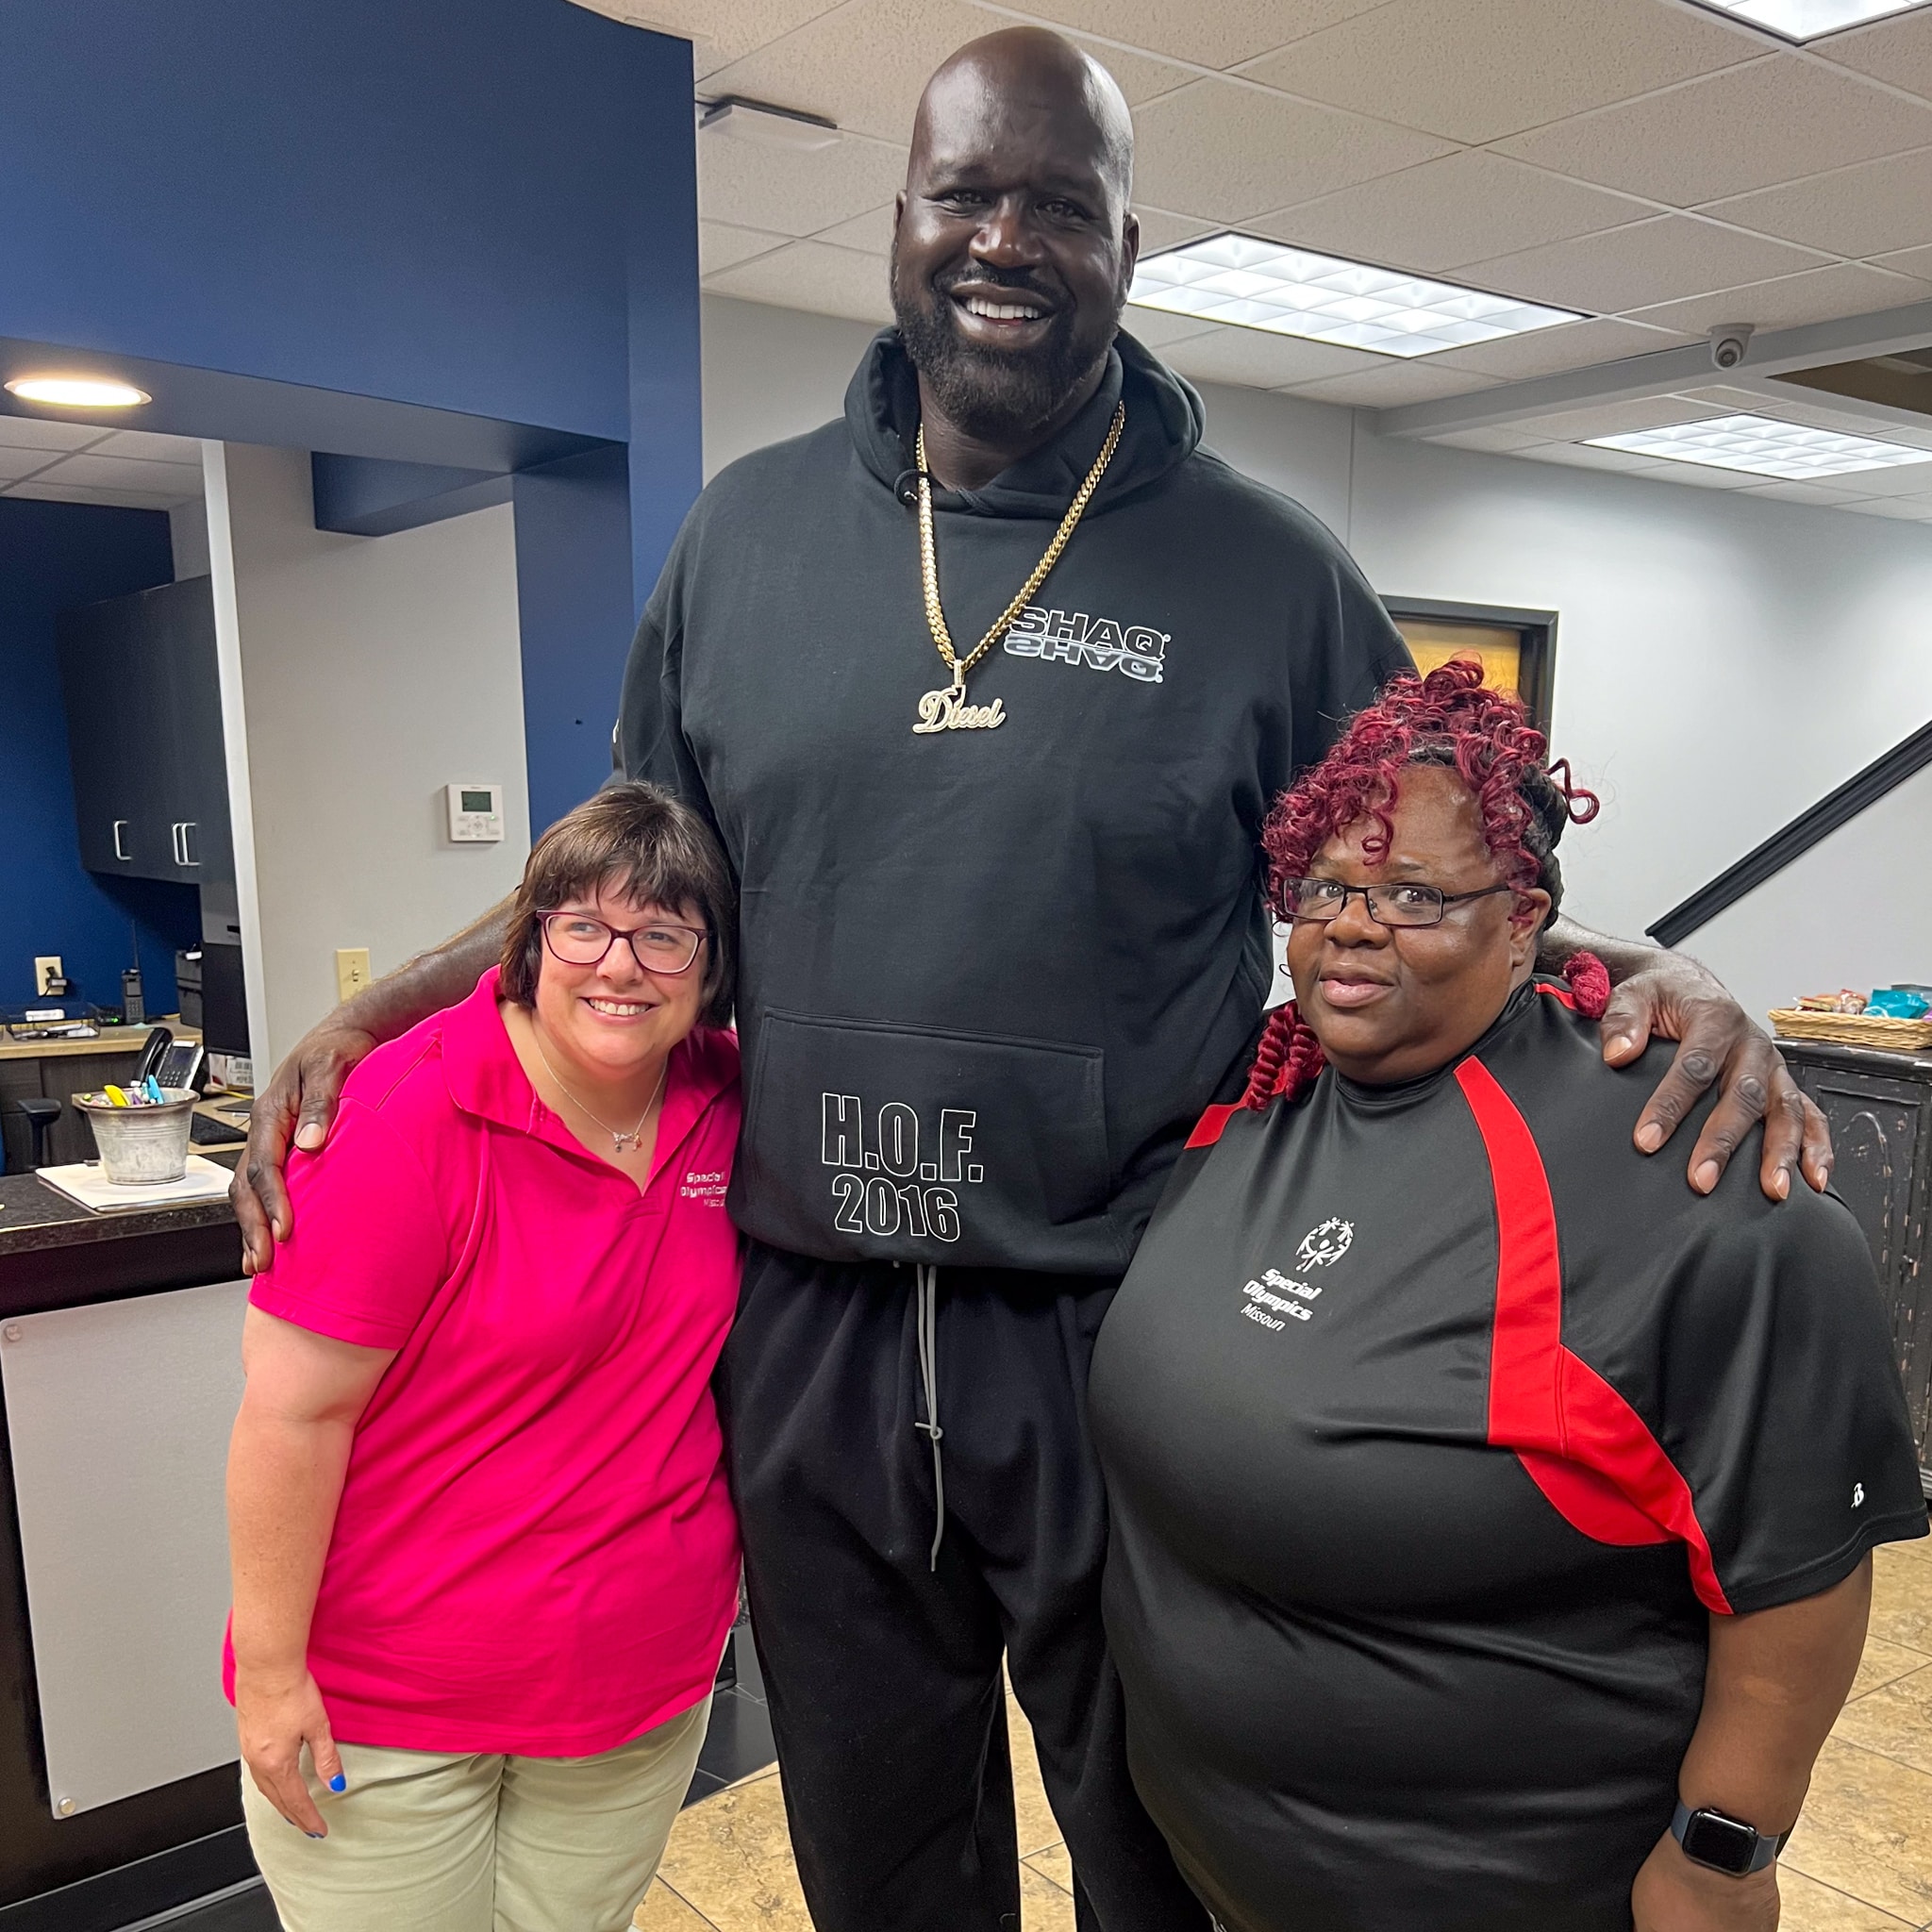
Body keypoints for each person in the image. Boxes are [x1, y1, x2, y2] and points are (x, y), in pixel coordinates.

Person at [230, 28, 1832, 1932]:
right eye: (963, 195)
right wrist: (386, 1010)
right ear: (897, 221)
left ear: (1127, 245)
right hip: (805, 1329)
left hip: (1121, 1322)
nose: (1004, 237)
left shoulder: (1263, 568)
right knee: (875, 1842)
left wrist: (1650, 963)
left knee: (1148, 1836)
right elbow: (644, 882)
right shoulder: (743, 538)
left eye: (1057, 206)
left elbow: (1424, 877)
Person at [1090, 661, 1924, 1932]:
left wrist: (1721, 1857)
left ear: (1527, 917)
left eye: (1417, 894)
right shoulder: (1257, 1094)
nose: (1354, 927)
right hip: (1220, 1866)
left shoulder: (1693, 1193)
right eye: (1326, 890)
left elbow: (1795, 1576)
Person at [225, 783, 742, 1932]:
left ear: (708, 967)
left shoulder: (723, 1096)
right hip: (392, 1701)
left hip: (634, 1686)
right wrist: (268, 1675)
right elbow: (291, 1418)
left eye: (664, 934)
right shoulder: (403, 1114)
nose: (621, 964)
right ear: (529, 938)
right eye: (583, 927)